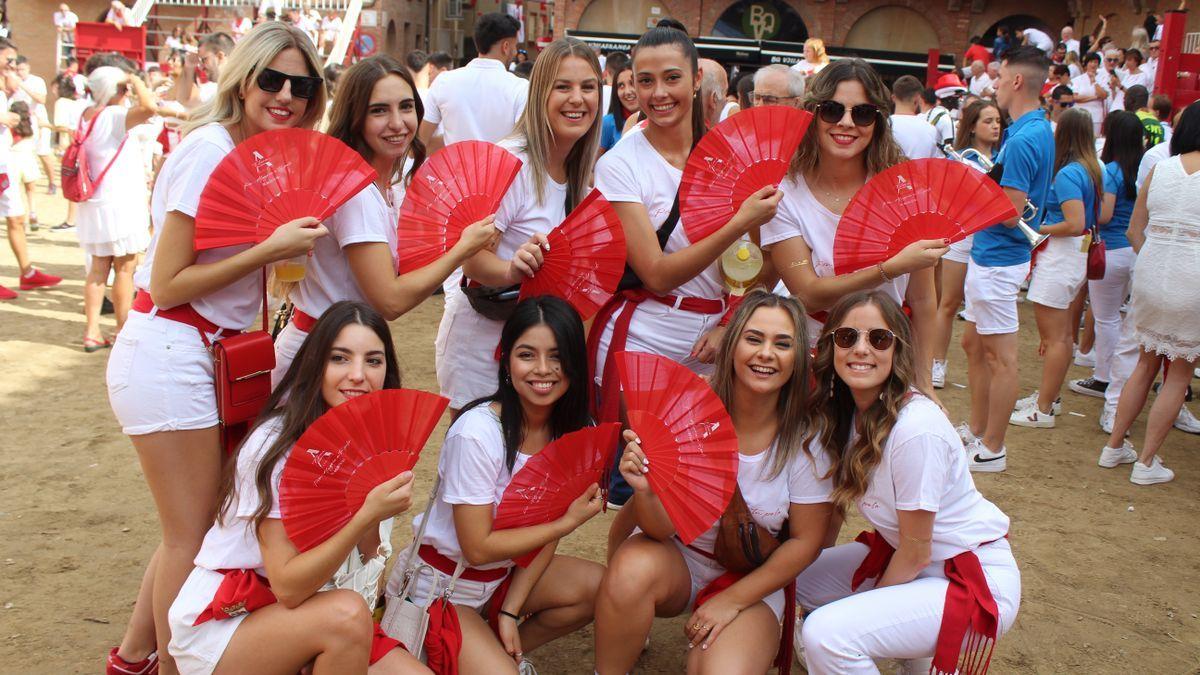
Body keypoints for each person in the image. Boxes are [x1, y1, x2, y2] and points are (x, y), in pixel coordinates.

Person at [103, 23, 330, 675]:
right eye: (272, 79)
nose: (285, 94)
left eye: (301, 84)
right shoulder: (209, 150)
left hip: (208, 354)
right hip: (170, 351)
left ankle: (134, 658)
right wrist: (270, 250)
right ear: (244, 78)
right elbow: (168, 283)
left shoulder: (260, 154)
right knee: (191, 534)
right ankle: (171, 668)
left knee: (190, 523)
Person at [167, 302, 429, 674]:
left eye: (373, 361)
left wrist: (373, 512)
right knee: (348, 616)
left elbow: (369, 563)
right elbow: (288, 586)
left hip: (320, 610)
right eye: (340, 358)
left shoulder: (377, 444)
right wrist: (365, 514)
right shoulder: (275, 447)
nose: (358, 375)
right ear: (316, 365)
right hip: (233, 620)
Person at [594, 291, 833, 675]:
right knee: (630, 570)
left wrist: (733, 599)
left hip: (752, 575)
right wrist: (647, 490)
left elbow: (805, 543)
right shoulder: (686, 409)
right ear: (732, 343)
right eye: (754, 339)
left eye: (782, 344)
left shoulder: (808, 440)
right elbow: (659, 529)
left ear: (799, 358)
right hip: (679, 560)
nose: (766, 354)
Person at [795, 291, 1021, 673]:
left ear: (898, 349)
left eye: (878, 339)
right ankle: (916, 655)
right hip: (914, 562)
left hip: (968, 578)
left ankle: (906, 651)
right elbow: (833, 511)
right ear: (831, 346)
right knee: (795, 577)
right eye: (847, 337)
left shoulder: (916, 428)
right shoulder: (845, 412)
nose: (861, 349)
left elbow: (916, 552)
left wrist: (858, 613)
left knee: (827, 636)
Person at [384, 296, 607, 673]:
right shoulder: (477, 433)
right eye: (527, 355)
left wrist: (509, 610)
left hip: (502, 580)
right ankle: (476, 657)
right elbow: (478, 547)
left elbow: (543, 536)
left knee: (600, 587)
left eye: (557, 356)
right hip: (443, 589)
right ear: (505, 360)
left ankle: (500, 651)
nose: (543, 369)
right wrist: (566, 523)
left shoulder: (576, 432)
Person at [590, 25, 780, 426]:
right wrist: (740, 221)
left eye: (672, 78)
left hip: (716, 344)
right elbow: (657, 274)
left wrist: (730, 322)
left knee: (697, 472)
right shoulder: (621, 165)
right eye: (646, 81)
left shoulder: (736, 157)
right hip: (643, 337)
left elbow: (758, 265)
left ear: (696, 80)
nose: (658, 93)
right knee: (639, 469)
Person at [271, 55, 496, 385]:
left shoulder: (387, 182)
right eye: (379, 110)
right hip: (320, 359)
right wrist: (462, 250)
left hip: (343, 351)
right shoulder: (356, 191)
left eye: (406, 107)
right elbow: (390, 300)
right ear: (355, 117)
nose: (398, 122)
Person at [435, 37, 603, 413]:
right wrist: (513, 268)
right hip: (484, 346)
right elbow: (473, 261)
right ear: (541, 93)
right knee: (478, 454)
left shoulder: (579, 174)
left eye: (587, 87)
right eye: (563, 86)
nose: (577, 99)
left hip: (537, 349)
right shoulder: (512, 163)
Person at [764, 59, 943, 391]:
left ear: (877, 121)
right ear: (813, 114)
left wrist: (924, 384)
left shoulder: (906, 192)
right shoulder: (786, 191)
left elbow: (922, 302)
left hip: (883, 359)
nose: (846, 123)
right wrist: (888, 268)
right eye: (832, 110)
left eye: (862, 113)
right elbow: (807, 292)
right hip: (811, 360)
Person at [958, 46, 1054, 472]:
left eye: (999, 78)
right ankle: (980, 432)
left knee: (999, 356)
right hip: (994, 255)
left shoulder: (1024, 138)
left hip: (998, 257)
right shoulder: (1033, 131)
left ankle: (992, 446)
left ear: (1016, 81)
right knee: (974, 344)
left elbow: (1011, 211)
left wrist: (975, 189)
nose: (993, 85)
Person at [1101, 100, 1200, 485]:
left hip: (1151, 276)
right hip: (1190, 281)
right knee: (1178, 374)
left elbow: (1133, 230)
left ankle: (1114, 447)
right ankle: (1146, 462)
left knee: (1145, 363)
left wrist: (1159, 258)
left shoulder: (1160, 168)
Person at [1010, 107, 1101, 431]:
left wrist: (1041, 227)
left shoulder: (1068, 173)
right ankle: (1049, 398)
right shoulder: (1088, 169)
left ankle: (1044, 407)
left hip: (1062, 255)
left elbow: (1074, 223)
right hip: (1072, 256)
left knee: (1056, 337)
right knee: (1060, 334)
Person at [76, 67, 157, 351]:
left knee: (98, 269)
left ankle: (92, 331)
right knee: (125, 267)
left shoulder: (86, 114)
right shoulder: (112, 116)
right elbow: (150, 108)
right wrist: (136, 80)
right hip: (119, 203)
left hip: (94, 204)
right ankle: (123, 330)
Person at [1068, 112, 1142, 417]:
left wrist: (1081, 212)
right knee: (1116, 318)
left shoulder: (1112, 171)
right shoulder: (1139, 168)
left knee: (1106, 317)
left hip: (1110, 250)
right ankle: (1108, 373)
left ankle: (1103, 377)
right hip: (1131, 251)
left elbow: (1106, 215)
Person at [931, 99, 1001, 390]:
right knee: (948, 302)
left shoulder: (1004, 157)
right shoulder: (959, 159)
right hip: (962, 236)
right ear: (971, 127)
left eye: (998, 120)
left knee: (977, 307)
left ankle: (983, 367)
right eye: (988, 121)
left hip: (991, 239)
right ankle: (937, 362)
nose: (996, 126)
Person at [0, 37, 60, 300]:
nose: (12, 65)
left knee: (16, 216)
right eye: (8, 60)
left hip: (5, 161)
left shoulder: (6, 88)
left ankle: (27, 272)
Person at [418, 12, 528, 149]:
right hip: (503, 169)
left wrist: (454, 141)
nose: (515, 51)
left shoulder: (444, 81)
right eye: (515, 45)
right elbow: (524, 145)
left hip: (454, 168)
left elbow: (421, 141)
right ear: (505, 47)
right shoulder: (521, 88)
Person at [11, 56, 55, 196]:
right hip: (22, 124)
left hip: (39, 121)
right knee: (23, 154)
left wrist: (22, 85)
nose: (19, 72)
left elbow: (41, 99)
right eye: (17, 70)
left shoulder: (36, 81)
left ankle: (52, 181)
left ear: (28, 68)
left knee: (43, 153)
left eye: (22, 69)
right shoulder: (12, 82)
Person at [174, 32, 235, 111]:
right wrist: (189, 66)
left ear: (220, 56)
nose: (201, 68)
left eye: (204, 59)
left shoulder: (243, 86)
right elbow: (184, 100)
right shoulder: (213, 89)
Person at [889, 74, 940, 160]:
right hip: (920, 172)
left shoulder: (884, 125)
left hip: (887, 173)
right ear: (918, 99)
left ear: (893, 98)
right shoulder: (930, 129)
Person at [599, 56, 635, 154]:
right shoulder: (607, 123)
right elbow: (592, 166)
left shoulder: (657, 122)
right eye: (621, 86)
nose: (627, 91)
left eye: (632, 83)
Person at [1070, 52, 1108, 142]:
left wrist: (1094, 81)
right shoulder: (1077, 80)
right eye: (1091, 62)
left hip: (1096, 116)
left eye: (1095, 62)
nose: (1093, 64)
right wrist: (1095, 97)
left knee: (1094, 140)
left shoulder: (1103, 78)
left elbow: (1103, 95)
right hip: (1080, 115)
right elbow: (1075, 98)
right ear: (1086, 64)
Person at [699, 58, 731, 127]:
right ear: (714, 99)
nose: (727, 100)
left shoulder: (674, 130)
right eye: (725, 93)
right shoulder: (710, 136)